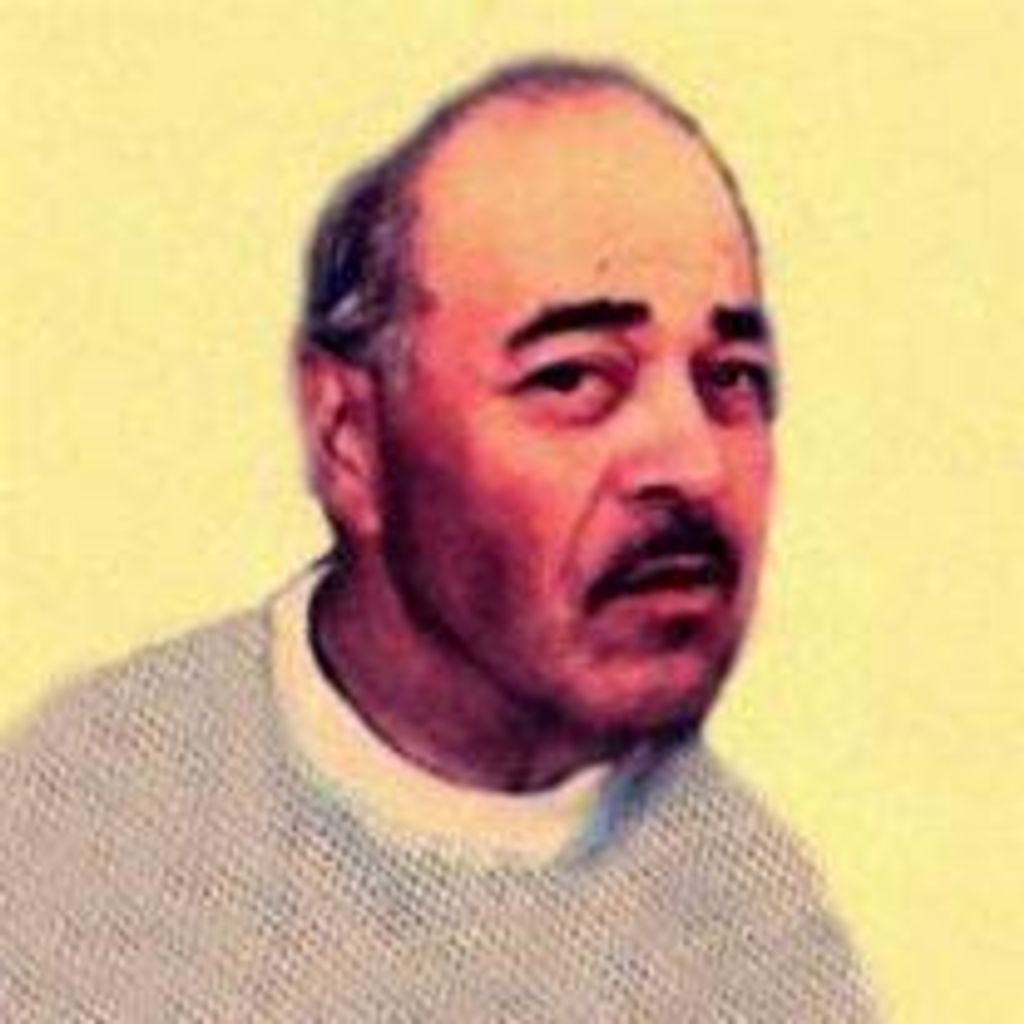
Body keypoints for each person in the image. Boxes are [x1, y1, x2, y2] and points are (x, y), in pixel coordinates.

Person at [0, 58, 879, 1021]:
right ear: (349, 436)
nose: (693, 462)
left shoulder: (760, 938)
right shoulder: (83, 830)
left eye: (733, 376)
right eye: (574, 376)